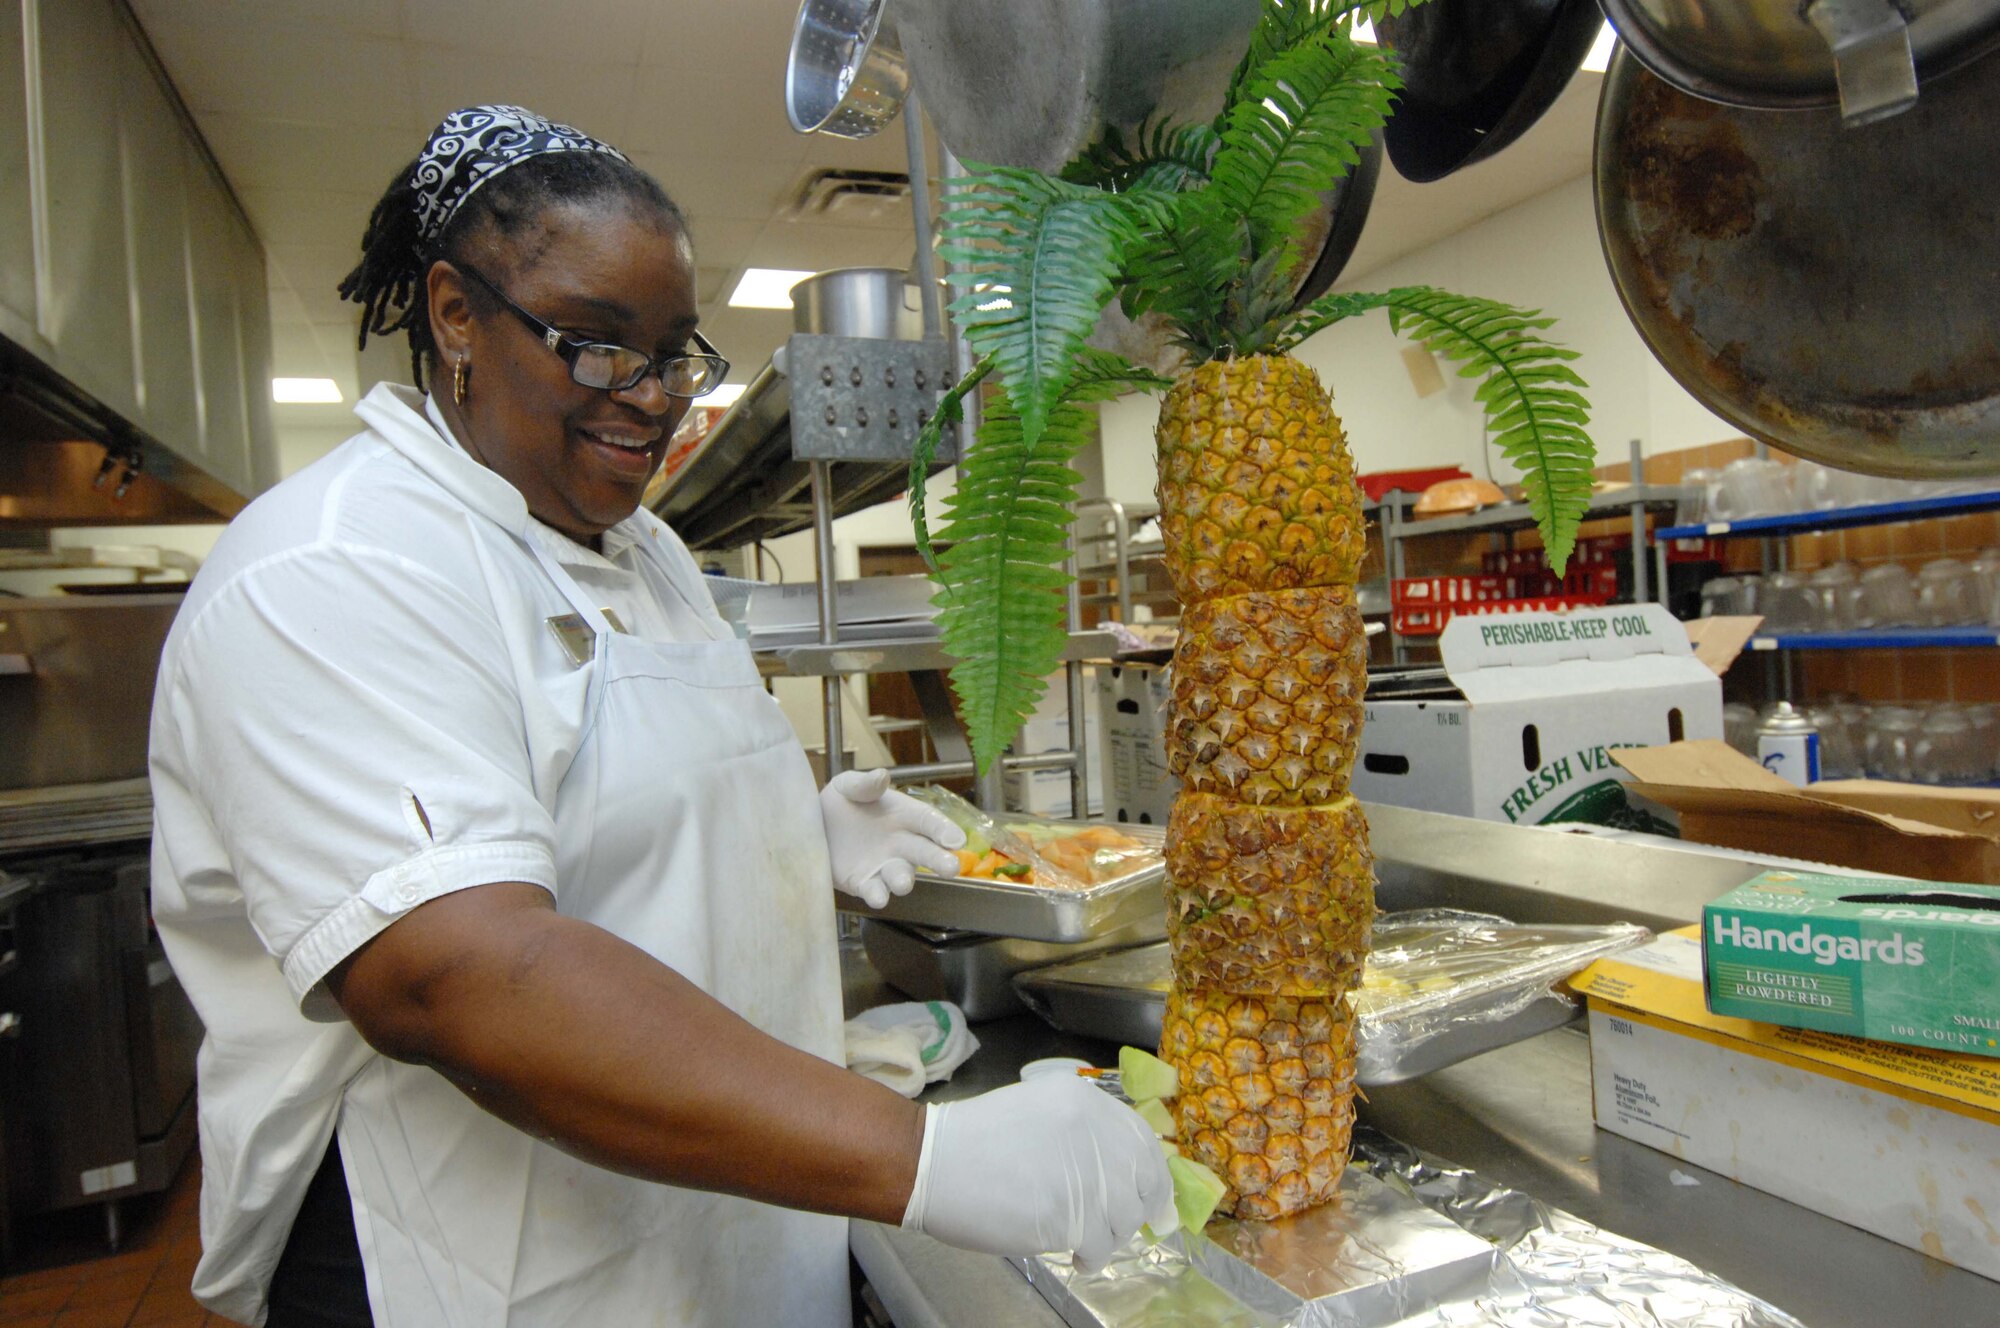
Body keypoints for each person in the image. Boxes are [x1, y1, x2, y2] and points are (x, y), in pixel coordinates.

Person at [149, 105, 1171, 1328]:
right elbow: (455, 974)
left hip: (722, 1206)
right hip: (484, 1250)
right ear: (454, 313)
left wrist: (796, 832)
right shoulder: (333, 566)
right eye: (593, 344)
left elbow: (625, 797)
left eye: (676, 351)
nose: (648, 396)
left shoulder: (645, 551)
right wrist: (921, 1158)